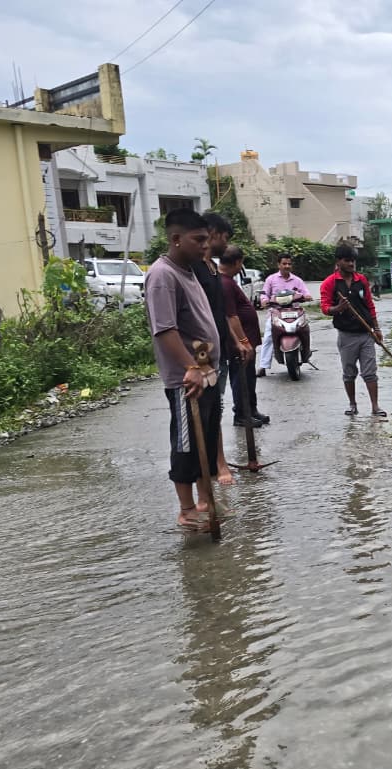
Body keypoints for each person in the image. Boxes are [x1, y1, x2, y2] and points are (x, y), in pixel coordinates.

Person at [143, 209, 223, 532]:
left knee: (207, 435)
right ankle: (187, 509)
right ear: (176, 239)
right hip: (185, 379)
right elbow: (164, 330)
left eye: (206, 239)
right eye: (198, 240)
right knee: (186, 443)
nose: (205, 246)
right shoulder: (163, 275)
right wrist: (190, 367)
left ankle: (207, 502)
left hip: (205, 372)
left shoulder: (188, 271)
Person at [194, 215, 258, 466]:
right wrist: (199, 361)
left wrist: (237, 341)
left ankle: (219, 461)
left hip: (219, 346)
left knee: (216, 406)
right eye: (226, 238)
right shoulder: (196, 270)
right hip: (202, 350)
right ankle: (209, 466)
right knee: (205, 407)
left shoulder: (212, 270)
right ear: (214, 234)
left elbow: (222, 315)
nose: (226, 244)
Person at [320, 244, 385, 418]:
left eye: (353, 260)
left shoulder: (361, 280)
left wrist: (376, 328)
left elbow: (369, 305)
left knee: (370, 371)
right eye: (348, 260)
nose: (351, 263)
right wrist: (338, 308)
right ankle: (353, 404)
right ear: (339, 261)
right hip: (346, 335)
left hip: (366, 333)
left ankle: (375, 406)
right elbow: (325, 308)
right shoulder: (330, 283)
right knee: (349, 372)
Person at [218, 245, 264, 424]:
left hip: (247, 340)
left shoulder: (228, 281)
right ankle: (242, 414)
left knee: (249, 377)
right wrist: (243, 341)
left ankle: (251, 409)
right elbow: (231, 316)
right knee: (241, 378)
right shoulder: (225, 283)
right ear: (237, 262)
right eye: (241, 264)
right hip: (240, 343)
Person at [259, 253, 312, 375]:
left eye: (289, 263)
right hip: (276, 312)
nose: (287, 266)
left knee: (305, 329)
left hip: (295, 311)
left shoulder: (297, 280)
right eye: (284, 263)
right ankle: (263, 366)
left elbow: (305, 292)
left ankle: (306, 352)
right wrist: (264, 300)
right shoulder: (271, 279)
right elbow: (264, 294)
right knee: (268, 337)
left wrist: (307, 296)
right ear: (279, 265)